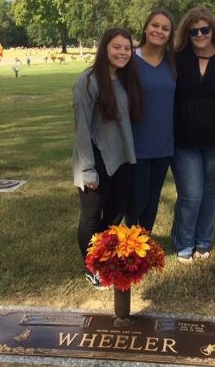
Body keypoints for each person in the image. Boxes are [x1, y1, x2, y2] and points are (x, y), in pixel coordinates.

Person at [72, 28, 142, 289]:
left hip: (122, 157)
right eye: (117, 47)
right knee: (91, 217)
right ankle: (92, 268)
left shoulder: (126, 80)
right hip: (95, 158)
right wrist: (88, 170)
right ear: (105, 48)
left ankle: (102, 258)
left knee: (116, 212)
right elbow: (81, 130)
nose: (122, 52)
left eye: (127, 48)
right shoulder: (87, 82)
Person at [171, 6, 215, 263]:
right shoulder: (177, 57)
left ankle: (203, 241)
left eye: (204, 30)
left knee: (209, 195)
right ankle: (184, 244)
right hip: (183, 140)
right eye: (193, 31)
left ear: (213, 30)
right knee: (191, 196)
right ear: (186, 33)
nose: (199, 34)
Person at [125, 9, 176, 232]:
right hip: (135, 143)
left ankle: (144, 242)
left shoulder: (173, 62)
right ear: (146, 28)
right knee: (136, 198)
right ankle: (130, 242)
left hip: (163, 144)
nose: (159, 31)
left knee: (153, 198)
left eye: (165, 28)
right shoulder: (130, 59)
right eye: (155, 25)